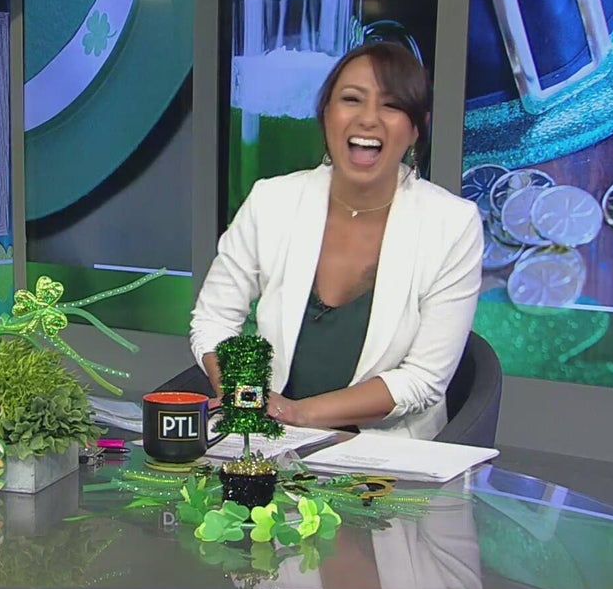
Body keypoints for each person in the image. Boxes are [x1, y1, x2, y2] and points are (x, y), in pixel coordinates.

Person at [190, 42, 483, 439]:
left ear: (416, 128)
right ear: (326, 113)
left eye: (391, 105)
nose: (368, 119)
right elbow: (215, 319)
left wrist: (297, 413)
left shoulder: (452, 224)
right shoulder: (271, 201)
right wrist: (245, 397)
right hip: (266, 439)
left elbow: (423, 379)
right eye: (351, 100)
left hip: (385, 454)